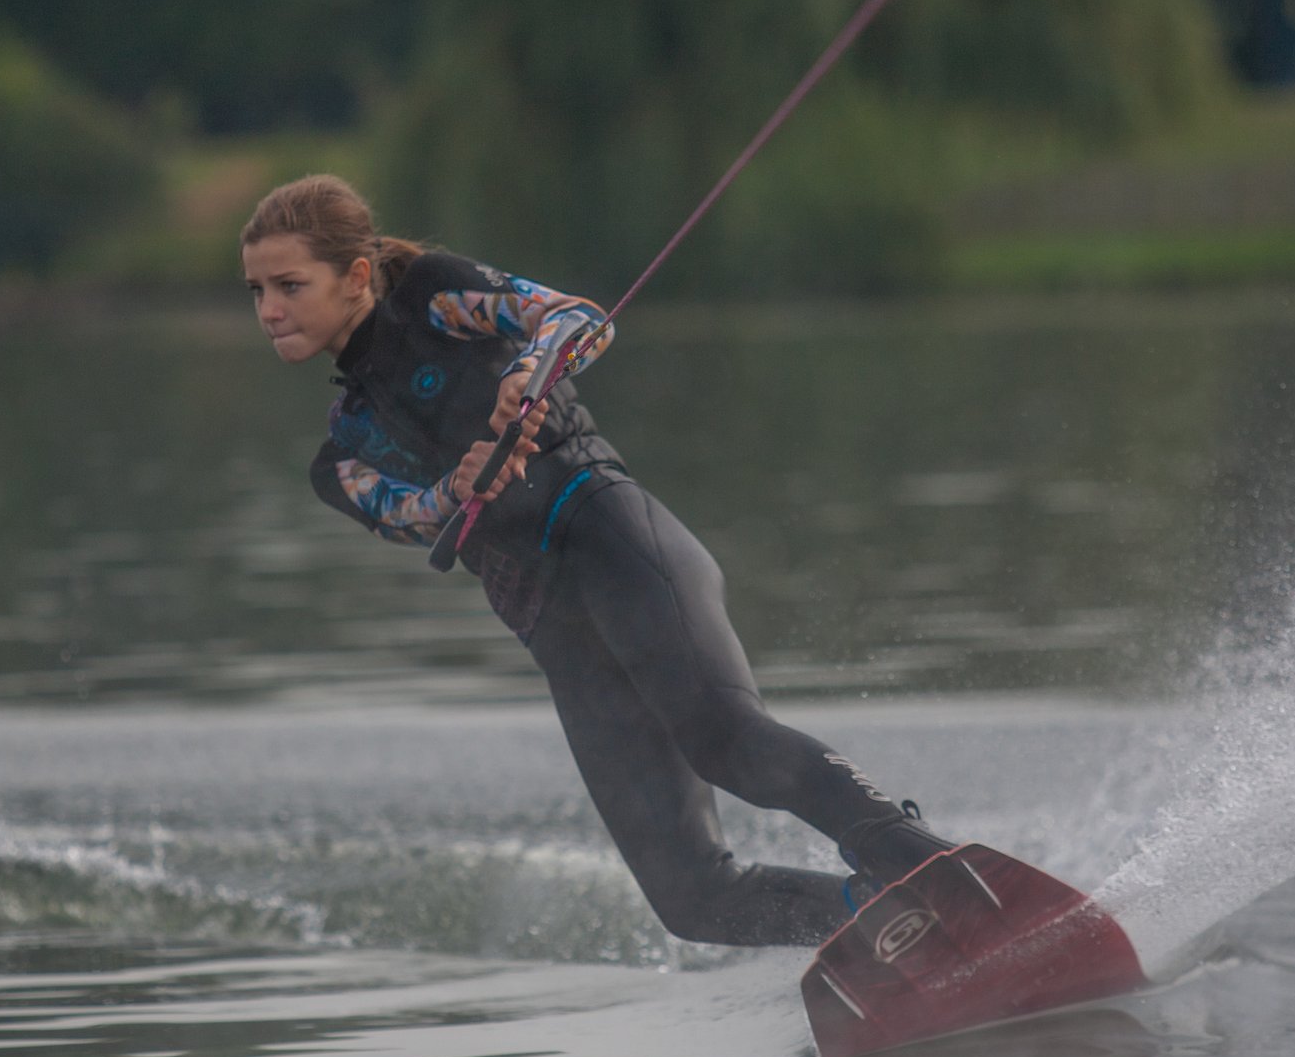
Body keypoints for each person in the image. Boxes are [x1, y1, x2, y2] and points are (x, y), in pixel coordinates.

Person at [242, 173, 954, 946]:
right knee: (694, 900)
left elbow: (576, 319)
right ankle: (882, 925)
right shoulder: (341, 449)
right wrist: (457, 485)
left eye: (289, 284)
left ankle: (923, 864)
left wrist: (528, 371)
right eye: (255, 290)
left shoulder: (434, 297)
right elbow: (405, 515)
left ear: (353, 277)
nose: (269, 309)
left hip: (608, 537)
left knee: (724, 737)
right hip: (557, 627)